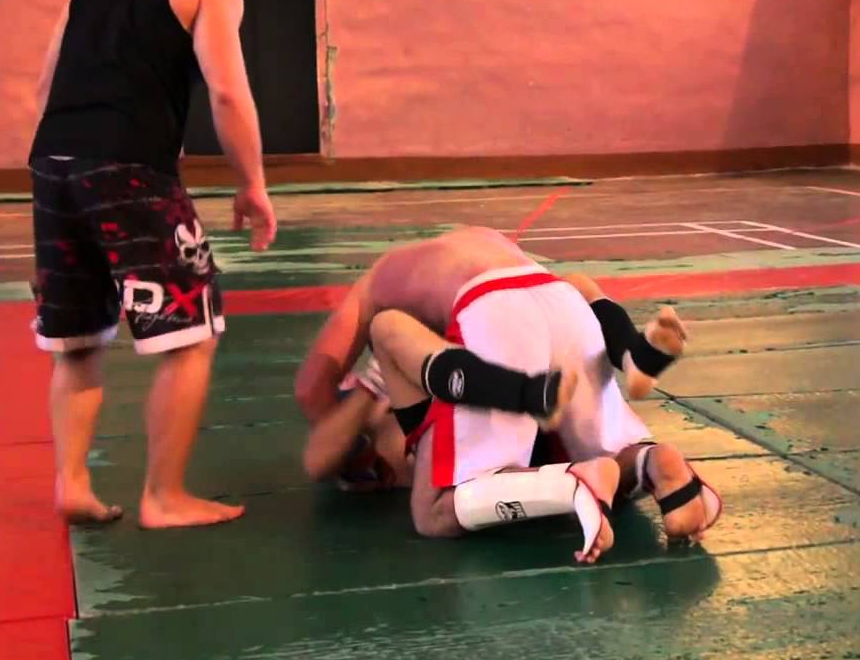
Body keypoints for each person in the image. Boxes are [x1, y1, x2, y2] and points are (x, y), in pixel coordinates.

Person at [293, 227, 720, 562]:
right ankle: (650, 453)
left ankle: (566, 470)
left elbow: (311, 390)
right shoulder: (472, 243)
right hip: (561, 301)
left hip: (490, 322)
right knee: (608, 451)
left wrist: (369, 393)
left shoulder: (377, 290)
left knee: (431, 513)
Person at [29, 0, 277, 528]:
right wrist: (252, 183)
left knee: (76, 338)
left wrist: (69, 171)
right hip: (130, 162)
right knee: (191, 334)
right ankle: (164, 496)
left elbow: (45, 86)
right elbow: (227, 93)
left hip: (53, 161)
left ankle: (72, 483)